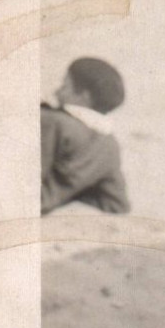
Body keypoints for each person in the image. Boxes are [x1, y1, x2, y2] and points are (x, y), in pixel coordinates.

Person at [41, 57, 130, 215]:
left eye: (65, 86)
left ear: (84, 96)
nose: (57, 91)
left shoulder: (53, 121)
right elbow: (117, 205)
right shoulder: (109, 143)